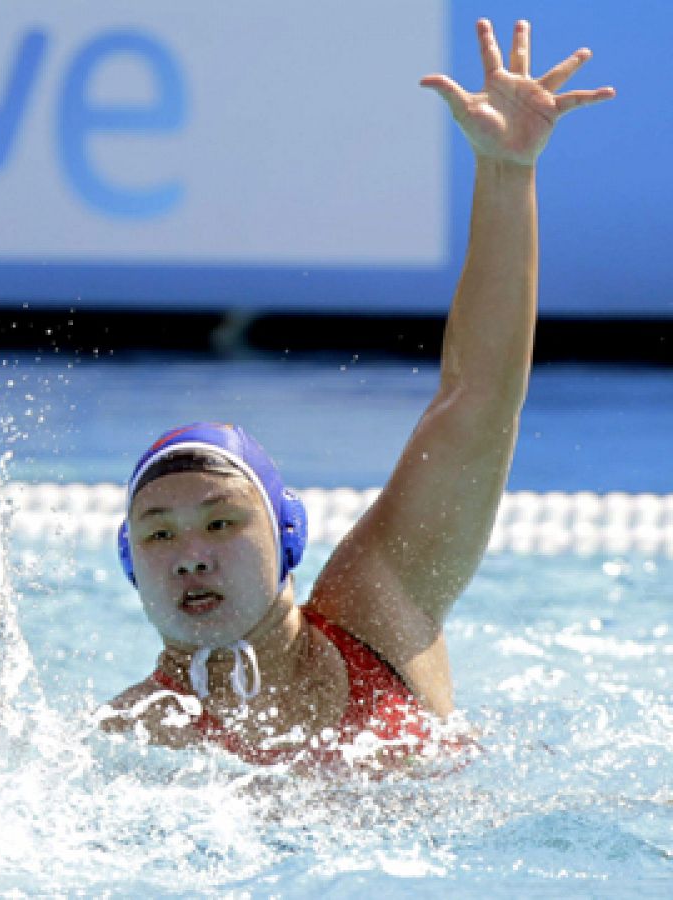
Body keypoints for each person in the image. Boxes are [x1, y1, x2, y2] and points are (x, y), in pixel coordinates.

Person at [98, 19, 615, 770]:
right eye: (158, 535)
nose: (189, 557)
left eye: (219, 522)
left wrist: (507, 173)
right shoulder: (132, 740)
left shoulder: (380, 606)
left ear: (288, 539)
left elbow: (477, 402)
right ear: (129, 564)